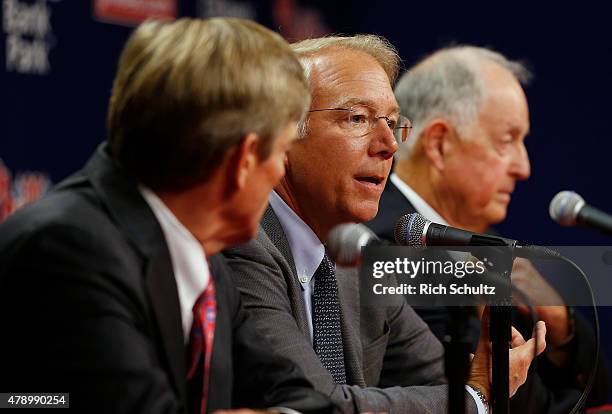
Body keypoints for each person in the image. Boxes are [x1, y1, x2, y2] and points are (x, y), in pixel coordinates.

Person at [0, 17, 333, 414]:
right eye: (281, 152)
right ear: (244, 161)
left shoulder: (204, 256)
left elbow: (304, 399)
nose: (280, 171)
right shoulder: (66, 250)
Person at [223, 35, 546, 414]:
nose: (389, 144)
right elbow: (316, 407)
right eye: (357, 118)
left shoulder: (354, 260)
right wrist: (476, 397)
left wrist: (490, 374)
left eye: (392, 123)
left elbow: (449, 382)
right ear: (282, 134)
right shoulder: (243, 241)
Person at [366, 45, 609, 411]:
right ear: (439, 143)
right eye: (507, 140)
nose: (523, 167)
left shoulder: (466, 247)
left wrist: (561, 323)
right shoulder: (394, 249)